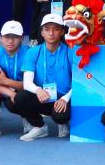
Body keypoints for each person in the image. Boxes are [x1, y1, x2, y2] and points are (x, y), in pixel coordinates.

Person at [13, 13, 74, 141]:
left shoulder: (70, 52)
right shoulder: (33, 52)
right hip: (43, 97)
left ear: (62, 32)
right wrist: (38, 90)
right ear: (42, 33)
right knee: (20, 97)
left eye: (56, 29)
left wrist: (65, 98)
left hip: (63, 99)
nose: (51, 33)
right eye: (47, 29)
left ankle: (63, 123)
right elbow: (27, 83)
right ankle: (39, 126)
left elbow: (79, 82)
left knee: (61, 116)